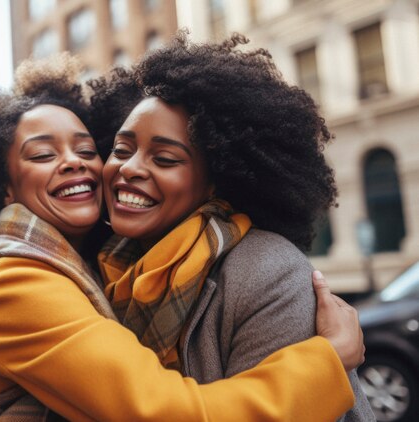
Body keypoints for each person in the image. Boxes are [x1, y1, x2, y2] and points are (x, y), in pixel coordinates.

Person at [0, 54, 363, 422]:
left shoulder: (262, 270)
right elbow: (166, 413)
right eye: (42, 154)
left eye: (86, 150)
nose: (78, 162)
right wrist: (329, 361)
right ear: (2, 187)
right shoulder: (15, 282)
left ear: (215, 178)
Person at [88, 33, 374, 420]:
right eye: (121, 150)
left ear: (214, 181)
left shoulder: (268, 273)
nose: (130, 168)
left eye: (165, 158)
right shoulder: (107, 271)